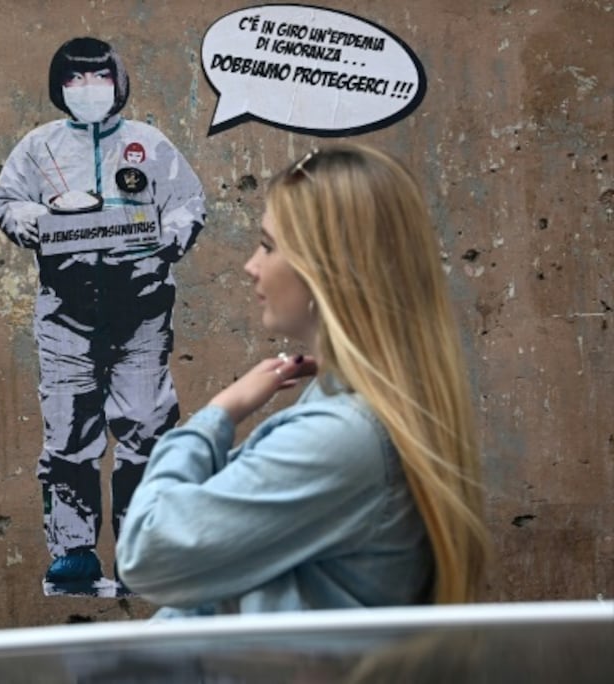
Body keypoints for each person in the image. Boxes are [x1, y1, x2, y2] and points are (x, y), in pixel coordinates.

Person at [116, 144, 489, 615]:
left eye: (269, 246)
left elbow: (148, 552)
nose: (252, 265)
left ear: (329, 270)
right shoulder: (352, 412)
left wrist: (217, 415)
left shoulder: (340, 438)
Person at [0, 37, 206, 591]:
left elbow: (187, 202)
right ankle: (74, 552)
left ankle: (140, 550)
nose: (88, 91)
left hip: (140, 308)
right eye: (75, 80)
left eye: (98, 79)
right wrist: (37, 220)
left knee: (146, 428)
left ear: (118, 82)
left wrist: (167, 240)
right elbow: (7, 203)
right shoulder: (38, 148)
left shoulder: (149, 144)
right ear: (60, 87)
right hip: (67, 311)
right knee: (68, 434)